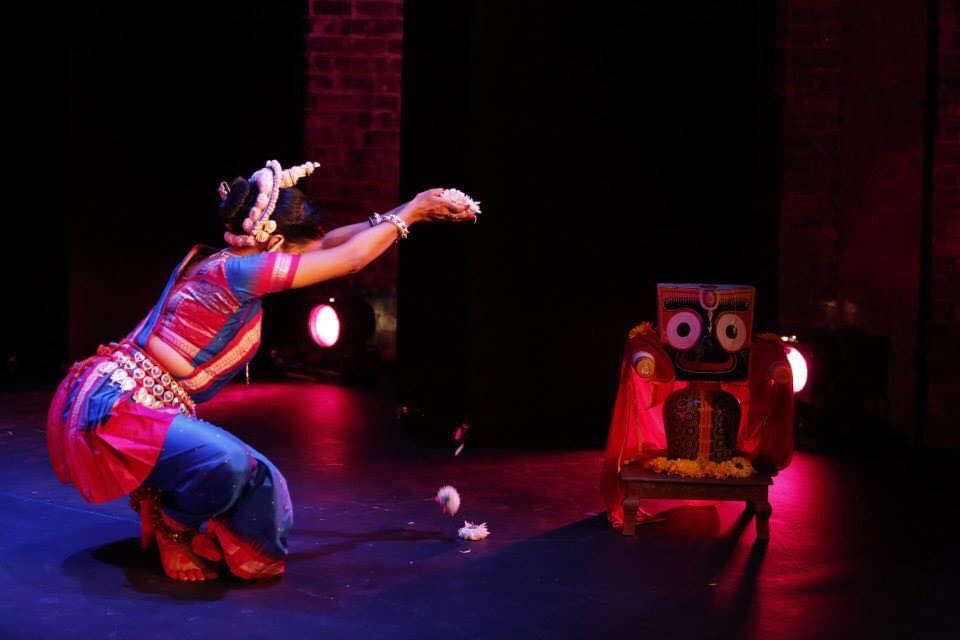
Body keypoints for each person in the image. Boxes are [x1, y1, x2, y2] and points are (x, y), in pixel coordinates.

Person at [46, 160, 476, 581]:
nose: (312, 253)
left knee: (257, 485)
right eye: (300, 248)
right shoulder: (240, 272)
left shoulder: (228, 259)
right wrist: (414, 212)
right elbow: (346, 260)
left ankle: (171, 505)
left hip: (124, 398)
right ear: (275, 245)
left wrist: (406, 210)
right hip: (117, 410)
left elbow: (327, 246)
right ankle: (173, 528)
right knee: (233, 466)